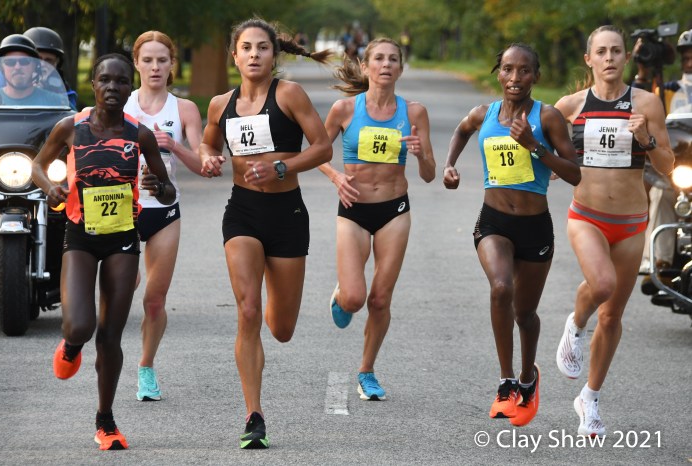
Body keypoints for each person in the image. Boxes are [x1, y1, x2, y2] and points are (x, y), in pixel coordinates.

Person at [199, 18, 332, 449]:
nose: (254, 54)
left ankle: (277, 306)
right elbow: (208, 143)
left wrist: (281, 166)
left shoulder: (289, 94)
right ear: (234, 56)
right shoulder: (220, 104)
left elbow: (323, 147)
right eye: (246, 47)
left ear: (274, 55)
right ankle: (254, 415)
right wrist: (208, 157)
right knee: (248, 310)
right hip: (243, 213)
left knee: (282, 328)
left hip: (287, 213)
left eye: (262, 47)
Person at [31, 53, 176, 450]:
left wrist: (158, 186)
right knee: (80, 325)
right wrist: (50, 188)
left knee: (110, 335)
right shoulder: (71, 127)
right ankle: (72, 344)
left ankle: (106, 421)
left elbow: (167, 191)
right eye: (105, 80)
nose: (113, 87)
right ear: (93, 84)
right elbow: (38, 166)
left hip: (123, 238)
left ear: (130, 87)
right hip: (80, 235)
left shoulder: (139, 135)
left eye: (121, 81)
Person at [443, 43, 581, 427]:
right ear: (498, 73)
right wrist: (450, 165)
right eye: (508, 69)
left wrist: (534, 146)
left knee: (525, 313)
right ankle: (506, 383)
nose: (515, 78)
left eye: (524, 70)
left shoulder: (548, 117)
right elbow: (461, 130)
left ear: (536, 76)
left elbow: (574, 173)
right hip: (494, 222)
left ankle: (527, 378)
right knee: (501, 288)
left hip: (535, 227)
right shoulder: (483, 114)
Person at [554, 25, 674, 437]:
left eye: (616, 51)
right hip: (586, 216)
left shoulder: (647, 103)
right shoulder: (569, 106)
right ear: (589, 59)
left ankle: (589, 398)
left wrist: (646, 138)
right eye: (601, 51)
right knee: (601, 285)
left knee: (612, 315)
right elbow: (545, 155)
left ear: (626, 57)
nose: (609, 58)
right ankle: (575, 324)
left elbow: (667, 166)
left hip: (631, 223)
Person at [319, 37, 435, 401]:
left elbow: (429, 174)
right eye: (379, 59)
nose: (386, 65)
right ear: (366, 66)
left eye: (393, 59)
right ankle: (342, 296)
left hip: (394, 210)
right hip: (353, 210)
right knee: (355, 298)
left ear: (400, 68)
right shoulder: (344, 110)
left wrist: (420, 155)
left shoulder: (414, 113)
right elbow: (315, 153)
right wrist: (336, 177)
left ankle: (366, 371)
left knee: (380, 299)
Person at [124, 30, 203, 402]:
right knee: (126, 286)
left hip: (165, 210)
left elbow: (203, 164)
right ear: (136, 63)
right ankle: (130, 272)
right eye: (148, 60)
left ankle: (146, 367)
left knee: (154, 300)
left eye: (162, 60)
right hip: (124, 210)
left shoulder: (184, 109)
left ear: (172, 64)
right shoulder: (122, 105)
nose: (155, 67)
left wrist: (174, 145)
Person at [636, 29, 692, 279]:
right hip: (680, 166)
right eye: (686, 58)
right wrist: (643, 73)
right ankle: (660, 262)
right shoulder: (667, 90)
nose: (689, 63)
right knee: (661, 193)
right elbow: (640, 102)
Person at [0, 33, 66, 106]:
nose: (17, 67)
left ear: (35, 66)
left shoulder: (57, 102)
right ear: (2, 67)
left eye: (24, 61)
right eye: (10, 62)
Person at [23, 26, 78, 110]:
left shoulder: (64, 91)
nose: (42, 64)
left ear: (57, 63)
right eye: (37, 59)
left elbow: (72, 114)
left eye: (48, 60)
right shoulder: (3, 84)